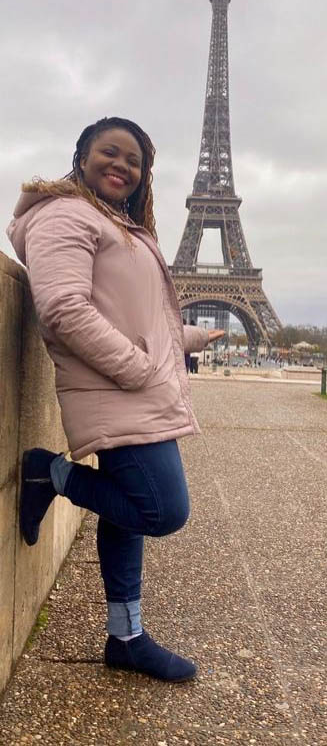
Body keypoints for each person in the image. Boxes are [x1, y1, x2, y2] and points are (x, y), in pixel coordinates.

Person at [7, 116, 224, 683]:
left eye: (135, 161)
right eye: (110, 151)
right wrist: (137, 368)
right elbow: (63, 308)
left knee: (126, 517)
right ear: (81, 155)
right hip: (120, 390)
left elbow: (142, 317)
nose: (122, 166)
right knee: (162, 511)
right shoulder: (63, 214)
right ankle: (48, 473)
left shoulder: (122, 227)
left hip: (135, 391)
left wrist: (189, 338)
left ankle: (125, 636)